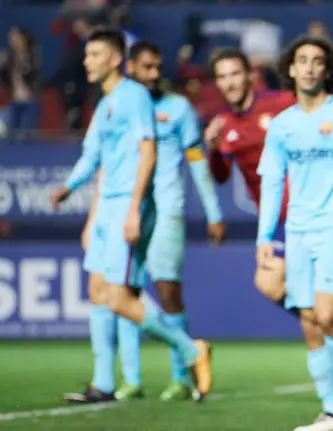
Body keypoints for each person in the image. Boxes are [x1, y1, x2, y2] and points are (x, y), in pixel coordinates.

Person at [50, 28, 212, 404]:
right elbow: (92, 155)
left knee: (122, 299)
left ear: (112, 58)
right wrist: (69, 187)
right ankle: (103, 384)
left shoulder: (135, 96)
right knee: (97, 293)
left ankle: (191, 349)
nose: (86, 61)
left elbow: (148, 152)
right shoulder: (104, 101)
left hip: (127, 203)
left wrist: (135, 209)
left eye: (92, 54)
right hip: (106, 205)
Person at [203, 48, 333, 368]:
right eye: (222, 76)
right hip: (280, 222)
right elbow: (220, 176)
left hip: (317, 214)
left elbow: (318, 113)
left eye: (235, 74)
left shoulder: (279, 105)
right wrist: (213, 149)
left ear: (249, 75)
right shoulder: (226, 125)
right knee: (294, 297)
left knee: (306, 303)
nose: (230, 82)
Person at [256, 36, 333, 431]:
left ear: (327, 69)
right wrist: (263, 239)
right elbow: (272, 183)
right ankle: (328, 411)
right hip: (298, 232)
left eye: (316, 61)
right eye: (301, 61)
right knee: (309, 322)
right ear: (290, 69)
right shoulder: (282, 125)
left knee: (327, 314)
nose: (308, 67)